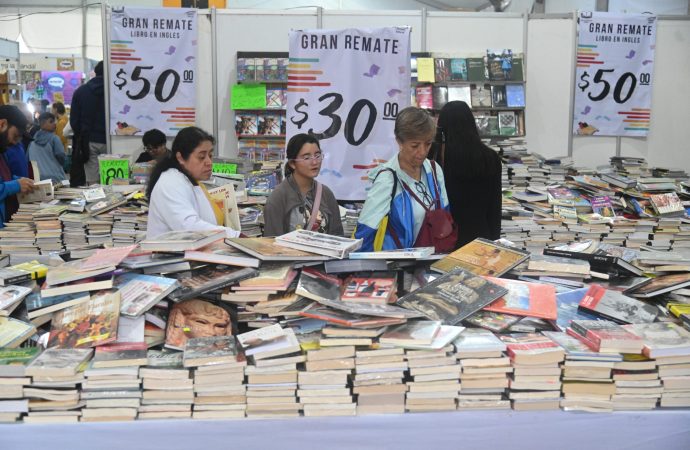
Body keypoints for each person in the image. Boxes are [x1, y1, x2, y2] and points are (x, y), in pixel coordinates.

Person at [355, 106, 450, 251]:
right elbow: (365, 232)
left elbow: (445, 216)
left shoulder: (434, 170)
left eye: (428, 144)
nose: (422, 152)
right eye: (415, 145)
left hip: (431, 262)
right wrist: (365, 270)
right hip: (398, 267)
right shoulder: (387, 178)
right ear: (399, 141)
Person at [146, 126, 241, 239]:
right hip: (172, 254)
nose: (209, 162)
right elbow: (189, 227)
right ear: (180, 158)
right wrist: (235, 236)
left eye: (210, 156)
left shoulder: (193, 180)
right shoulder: (170, 183)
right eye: (201, 157)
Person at [432, 101, 502, 248]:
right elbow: (494, 206)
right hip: (481, 236)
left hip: (447, 236)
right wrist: (494, 239)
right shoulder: (490, 157)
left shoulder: (437, 157)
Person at [263, 133, 343, 237]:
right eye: (306, 158)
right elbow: (271, 241)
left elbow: (337, 235)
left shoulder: (326, 193)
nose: (315, 162)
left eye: (317, 155)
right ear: (292, 163)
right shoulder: (278, 197)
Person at [70, 61, 106, 186]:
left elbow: (74, 121)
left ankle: (95, 204)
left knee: (92, 181)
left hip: (89, 141)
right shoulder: (116, 90)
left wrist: (82, 135)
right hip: (113, 140)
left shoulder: (80, 91)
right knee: (113, 180)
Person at [0, 105, 35, 226]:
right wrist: (15, 185)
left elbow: (4, 178)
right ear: (2, 124)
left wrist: (19, 180)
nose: (15, 142)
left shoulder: (2, 150)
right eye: (15, 136)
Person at [165, 299, 233, 349]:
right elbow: (184, 328)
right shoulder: (185, 327)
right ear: (180, 319)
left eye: (220, 326)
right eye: (201, 322)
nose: (212, 332)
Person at [27, 112, 67, 183]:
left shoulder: (32, 143)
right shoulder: (54, 139)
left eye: (54, 121)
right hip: (56, 179)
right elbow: (61, 156)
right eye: (51, 122)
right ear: (42, 124)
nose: (54, 124)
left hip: (39, 180)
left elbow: (27, 160)